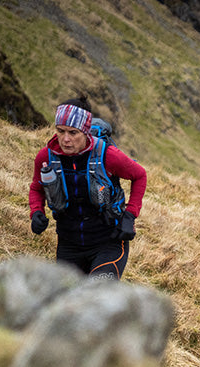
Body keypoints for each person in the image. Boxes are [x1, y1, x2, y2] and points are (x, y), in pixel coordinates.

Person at [28, 97, 147, 279]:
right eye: (60, 131)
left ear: (85, 132)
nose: (66, 139)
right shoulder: (46, 156)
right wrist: (36, 212)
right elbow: (37, 188)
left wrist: (130, 216)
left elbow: (139, 175)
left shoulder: (107, 155)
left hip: (108, 241)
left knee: (98, 293)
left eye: (73, 132)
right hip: (69, 243)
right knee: (69, 300)